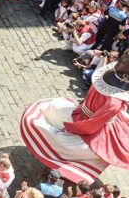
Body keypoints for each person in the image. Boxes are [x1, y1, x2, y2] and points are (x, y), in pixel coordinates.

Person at [21, 50, 129, 183]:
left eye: (124, 60)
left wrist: (71, 128)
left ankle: (61, 171)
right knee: (53, 108)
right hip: (84, 112)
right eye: (123, 56)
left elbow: (93, 124)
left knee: (68, 145)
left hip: (93, 128)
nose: (120, 59)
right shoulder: (113, 70)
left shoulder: (114, 102)